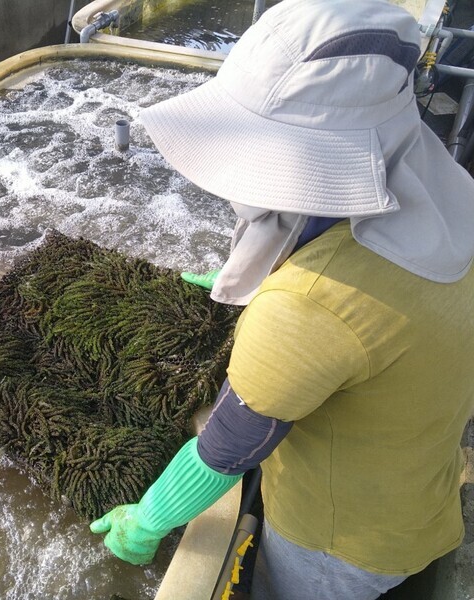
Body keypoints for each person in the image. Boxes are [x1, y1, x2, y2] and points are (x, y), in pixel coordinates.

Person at [88, 1, 474, 598]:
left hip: (339, 547)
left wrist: (148, 519)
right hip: (421, 487)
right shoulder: (453, 194)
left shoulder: (307, 308)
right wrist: (251, 275)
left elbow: (227, 447)